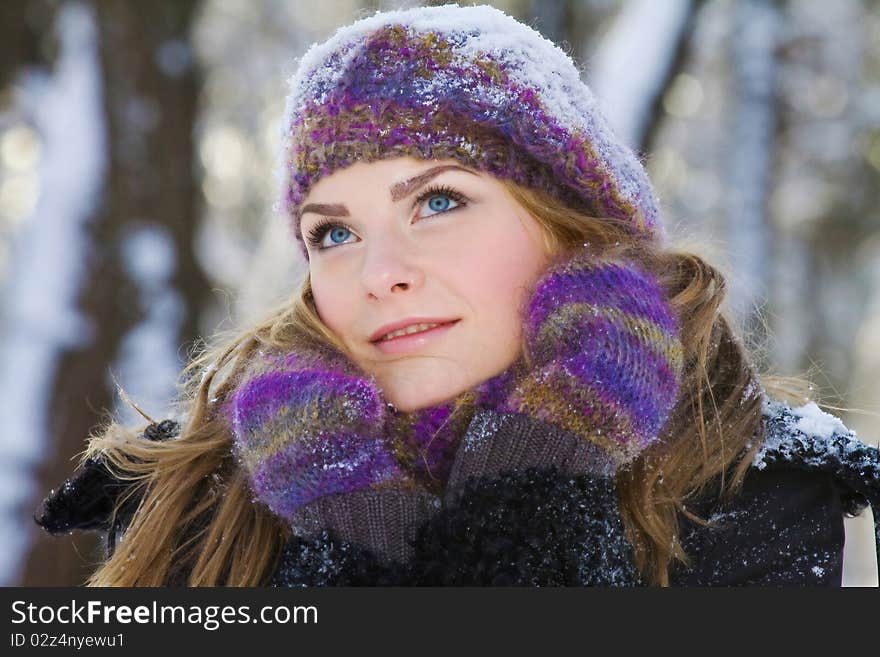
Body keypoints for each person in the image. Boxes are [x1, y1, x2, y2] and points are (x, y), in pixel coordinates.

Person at [35, 3, 879, 586]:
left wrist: (531, 490)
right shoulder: (185, 492)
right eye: (334, 232)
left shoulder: (750, 488)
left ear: (575, 229)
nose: (378, 273)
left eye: (438, 202)